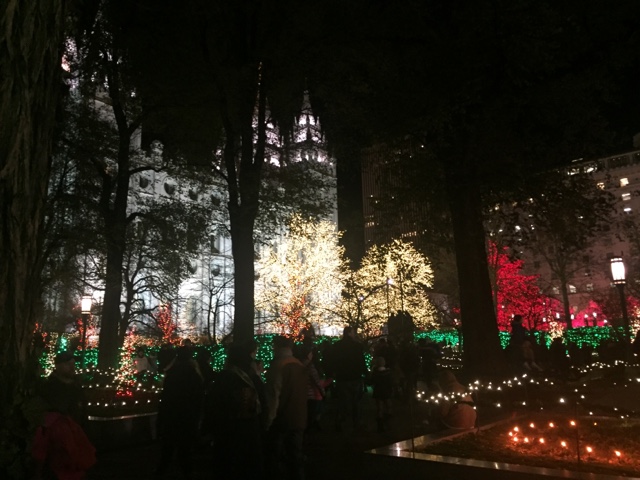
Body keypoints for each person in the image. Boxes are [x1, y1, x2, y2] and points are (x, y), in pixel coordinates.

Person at [32, 351, 96, 480]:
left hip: (77, 438)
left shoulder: (76, 386)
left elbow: (82, 411)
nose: (72, 367)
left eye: (73, 364)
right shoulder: (49, 387)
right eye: (68, 364)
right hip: (58, 445)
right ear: (58, 366)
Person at [209, 343, 264, 478]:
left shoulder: (224, 377)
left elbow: (215, 403)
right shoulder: (252, 378)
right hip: (249, 428)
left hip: (227, 429)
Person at [155, 347, 204, 479]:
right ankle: (186, 471)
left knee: (168, 448)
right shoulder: (194, 375)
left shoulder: (172, 374)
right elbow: (198, 398)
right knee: (185, 449)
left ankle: (162, 470)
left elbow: (165, 398)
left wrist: (161, 419)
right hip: (187, 416)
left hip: (172, 415)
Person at [264, 335, 308, 480]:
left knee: (275, 457)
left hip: (281, 419)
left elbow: (273, 396)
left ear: (276, 346)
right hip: (299, 417)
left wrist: (268, 420)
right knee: (295, 456)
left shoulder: (278, 365)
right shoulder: (299, 365)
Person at [325, 326, 367, 432]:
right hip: (355, 376)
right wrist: (365, 373)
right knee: (356, 402)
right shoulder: (357, 346)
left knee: (343, 401)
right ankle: (356, 422)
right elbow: (361, 361)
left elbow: (332, 361)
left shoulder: (337, 346)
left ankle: (340, 421)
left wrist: (332, 373)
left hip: (342, 377)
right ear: (349, 333)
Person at [370, 356, 393, 432]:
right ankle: (388, 422)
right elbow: (391, 382)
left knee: (379, 408)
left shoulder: (375, 373)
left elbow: (371, 381)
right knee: (388, 406)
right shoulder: (388, 373)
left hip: (378, 391)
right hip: (387, 392)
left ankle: (380, 425)